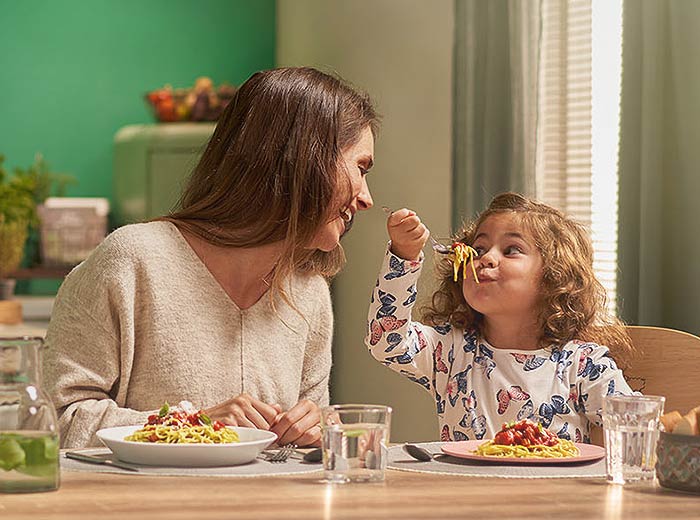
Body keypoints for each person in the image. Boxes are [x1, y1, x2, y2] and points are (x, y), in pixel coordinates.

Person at [45, 67, 378, 448]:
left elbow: (304, 450)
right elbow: (57, 421)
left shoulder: (310, 293)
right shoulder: (130, 261)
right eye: (360, 167)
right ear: (303, 159)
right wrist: (191, 425)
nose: (367, 198)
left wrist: (315, 428)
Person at [365, 192, 637, 443]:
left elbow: (636, 424)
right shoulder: (450, 351)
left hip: (553, 496)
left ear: (554, 277)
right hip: (466, 494)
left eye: (510, 250)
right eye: (479, 249)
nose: (486, 259)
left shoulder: (581, 364)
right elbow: (387, 342)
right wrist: (404, 255)